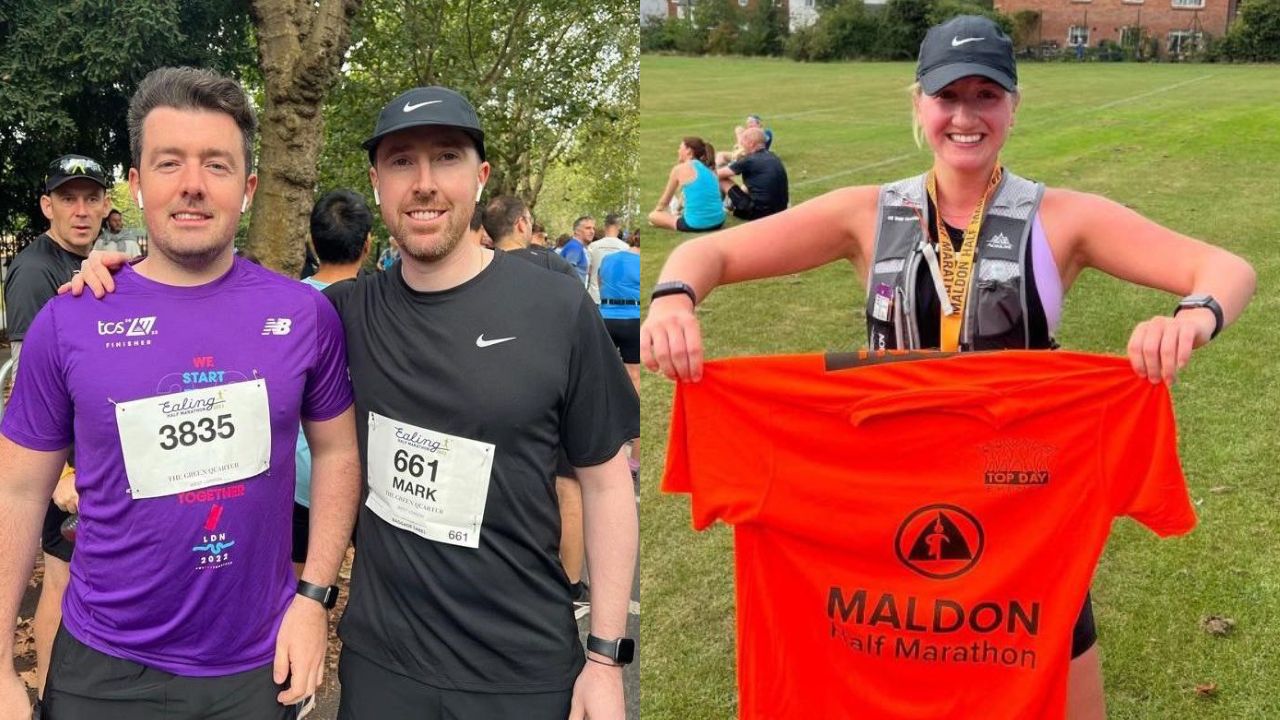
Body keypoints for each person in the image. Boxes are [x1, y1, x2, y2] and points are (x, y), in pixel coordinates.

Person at [641, 15, 1255, 720]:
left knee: (1042, 653)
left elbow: (1224, 268)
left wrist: (1191, 316)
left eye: (986, 96)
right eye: (947, 96)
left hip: (1018, 489)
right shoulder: (866, 215)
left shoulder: (1063, 219)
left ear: (1014, 107)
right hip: (882, 487)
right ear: (918, 105)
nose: (965, 116)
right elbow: (707, 254)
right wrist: (673, 300)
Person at [0, 66, 362, 720]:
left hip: (255, 668)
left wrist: (314, 598)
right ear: (136, 183)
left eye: (217, 165)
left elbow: (336, 453)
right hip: (102, 670)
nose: (192, 185)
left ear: (248, 188)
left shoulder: (303, 315)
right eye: (169, 163)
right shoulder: (72, 317)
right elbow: (18, 490)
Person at [2, 152, 111, 703]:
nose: (81, 208)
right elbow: (26, 384)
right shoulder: (32, 271)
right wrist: (64, 473)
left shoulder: (94, 263)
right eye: (68, 197)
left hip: (91, 459)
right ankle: (47, 694)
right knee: (61, 584)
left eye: (91, 197)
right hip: (56, 467)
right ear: (47, 206)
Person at [482, 193, 591, 608]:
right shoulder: (556, 268)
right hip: (554, 394)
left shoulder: (473, 271)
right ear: (524, 223)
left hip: (493, 402)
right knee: (568, 485)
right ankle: (570, 583)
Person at [293, 188, 374, 578]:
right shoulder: (387, 307)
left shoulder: (287, 305)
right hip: (368, 476)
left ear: (312, 240)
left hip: (299, 477)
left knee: (296, 589)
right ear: (368, 244)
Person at [597, 245, 641, 479]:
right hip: (633, 318)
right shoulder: (639, 261)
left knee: (603, 375)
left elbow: (600, 283)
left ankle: (601, 441)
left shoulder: (609, 260)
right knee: (634, 376)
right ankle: (634, 459)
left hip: (606, 317)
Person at [647, 137, 725, 234]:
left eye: (680, 148)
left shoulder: (679, 169)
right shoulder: (710, 170)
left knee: (653, 215)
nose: (678, 151)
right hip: (719, 221)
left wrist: (657, 216)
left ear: (689, 151)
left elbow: (663, 204)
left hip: (695, 224)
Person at [717, 126, 788, 221]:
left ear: (751, 144)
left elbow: (717, 174)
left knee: (722, 179)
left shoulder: (749, 160)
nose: (741, 145)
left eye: (743, 142)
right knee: (753, 183)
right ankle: (728, 204)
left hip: (759, 213)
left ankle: (718, 207)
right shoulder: (773, 156)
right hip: (781, 209)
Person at [587, 213, 629, 304]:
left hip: (594, 297)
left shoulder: (593, 246)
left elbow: (588, 271)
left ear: (605, 226)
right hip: (616, 298)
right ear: (619, 226)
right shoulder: (626, 248)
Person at [560, 216, 593, 285]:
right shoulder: (574, 247)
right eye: (588, 228)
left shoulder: (578, 246)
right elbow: (568, 275)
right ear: (577, 231)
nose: (592, 231)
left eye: (593, 228)